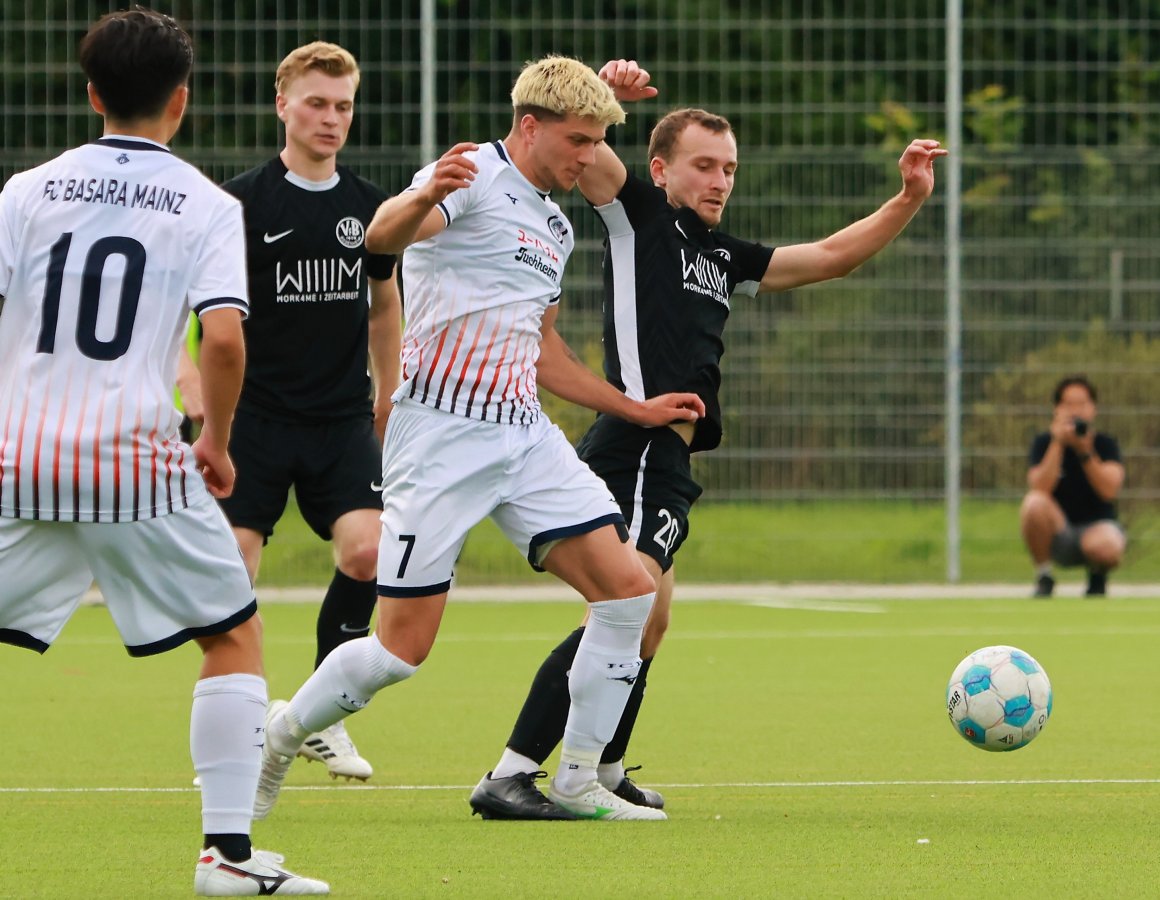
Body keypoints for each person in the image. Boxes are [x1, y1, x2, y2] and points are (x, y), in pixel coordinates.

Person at [471, 60, 948, 818]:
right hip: (634, 443)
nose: (719, 180)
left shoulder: (724, 256)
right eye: (702, 165)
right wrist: (605, 92)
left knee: (648, 617)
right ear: (660, 169)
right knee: (623, 607)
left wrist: (908, 198)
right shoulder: (638, 214)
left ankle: (604, 768)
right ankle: (517, 771)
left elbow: (829, 257)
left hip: (668, 458)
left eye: (728, 168)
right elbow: (577, 141)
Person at [252, 54, 706, 824]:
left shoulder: (557, 223)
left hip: (523, 436)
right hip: (441, 438)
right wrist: (424, 192)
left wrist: (631, 408)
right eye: (579, 141)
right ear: (530, 127)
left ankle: (576, 781)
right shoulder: (469, 176)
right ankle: (287, 730)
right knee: (400, 652)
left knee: (629, 592)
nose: (590, 158)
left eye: (597, 142)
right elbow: (379, 241)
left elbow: (544, 349)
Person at [0, 9, 327, 895]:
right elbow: (222, 339)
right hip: (135, 466)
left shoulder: (25, 191)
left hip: (19, 461)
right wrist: (215, 439)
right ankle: (226, 857)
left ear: (93, 94)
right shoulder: (207, 204)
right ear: (181, 101)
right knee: (232, 634)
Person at [218, 42, 402, 782]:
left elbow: (384, 305)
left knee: (369, 554)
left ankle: (319, 717)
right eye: (317, 103)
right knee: (231, 575)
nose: (331, 118)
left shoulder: (372, 207)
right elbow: (195, 313)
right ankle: (238, 731)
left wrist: (389, 390)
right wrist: (193, 390)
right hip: (254, 422)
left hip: (340, 421)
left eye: (343, 106)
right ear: (282, 105)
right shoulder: (239, 205)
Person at [1021, 375, 1125, 598]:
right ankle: (1044, 576)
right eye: (1069, 404)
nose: (1075, 411)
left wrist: (1085, 452)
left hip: (1096, 530)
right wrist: (1057, 444)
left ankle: (1097, 576)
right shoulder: (1043, 443)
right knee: (1033, 503)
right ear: (1056, 409)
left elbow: (1109, 491)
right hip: (1059, 533)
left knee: (1108, 547)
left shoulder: (1106, 444)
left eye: (1082, 404)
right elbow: (1039, 488)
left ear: (1093, 408)